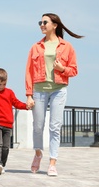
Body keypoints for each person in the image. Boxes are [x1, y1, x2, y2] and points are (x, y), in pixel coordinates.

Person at [25, 13, 83, 176]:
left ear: (54, 25)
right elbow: (29, 71)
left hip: (59, 89)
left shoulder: (67, 46)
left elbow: (74, 70)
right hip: (39, 89)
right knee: (38, 126)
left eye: (45, 22)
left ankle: (52, 162)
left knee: (55, 127)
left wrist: (62, 69)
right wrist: (28, 94)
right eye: (40, 22)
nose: (41, 25)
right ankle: (38, 154)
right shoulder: (35, 47)